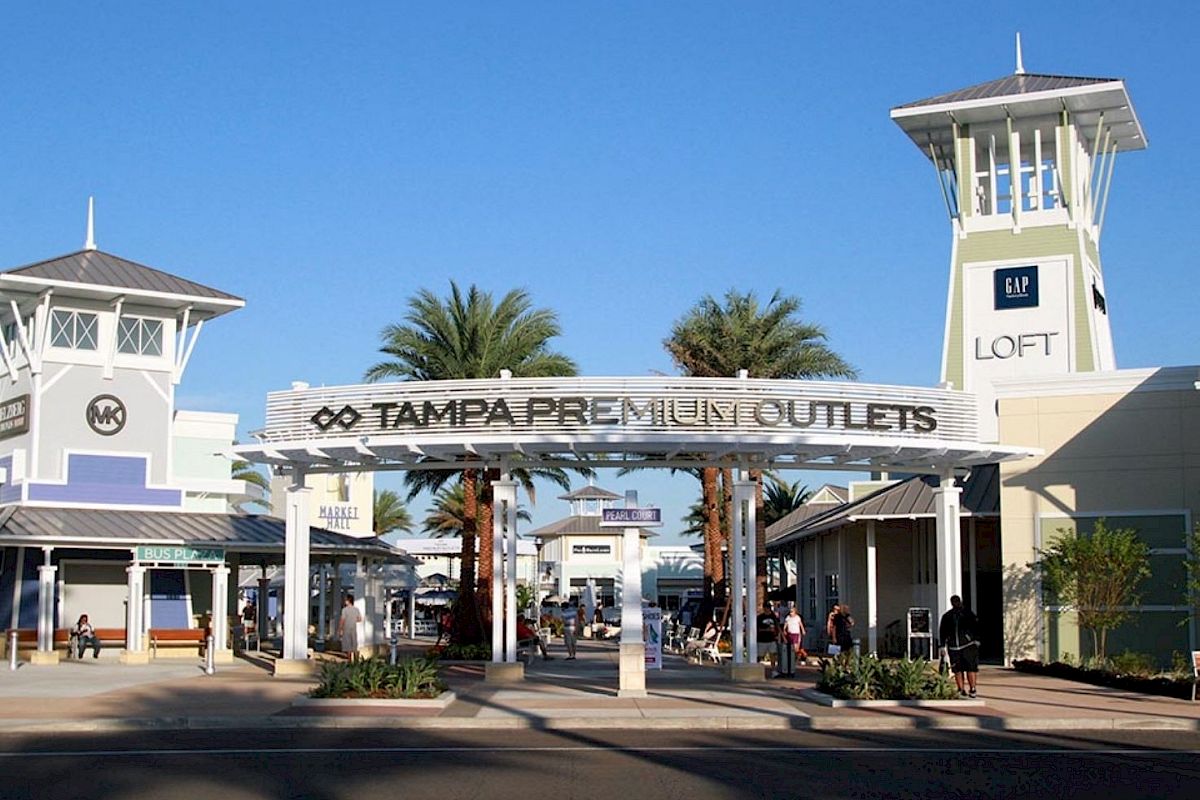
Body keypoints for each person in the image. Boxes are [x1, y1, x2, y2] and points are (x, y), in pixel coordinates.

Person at [939, 595, 981, 698]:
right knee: (957, 669)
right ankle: (961, 689)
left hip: (968, 645)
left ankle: (972, 688)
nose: (956, 603)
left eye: (957, 601)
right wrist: (942, 646)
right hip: (953, 647)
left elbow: (976, 627)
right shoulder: (947, 616)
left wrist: (976, 640)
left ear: (960, 601)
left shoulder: (968, 614)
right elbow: (942, 631)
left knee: (971, 668)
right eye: (953, 601)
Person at [780, 605, 805, 676]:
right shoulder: (788, 618)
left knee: (795, 649)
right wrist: (784, 630)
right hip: (790, 634)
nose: (791, 613)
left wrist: (803, 631)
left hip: (796, 633)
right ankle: (790, 661)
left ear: (795, 612)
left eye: (792, 612)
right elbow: (785, 624)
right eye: (790, 612)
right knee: (790, 648)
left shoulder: (797, 618)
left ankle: (795, 660)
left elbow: (801, 625)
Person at [337, 594, 363, 661]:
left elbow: (342, 620)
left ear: (348, 601)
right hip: (353, 628)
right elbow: (360, 619)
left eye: (346, 600)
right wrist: (353, 620)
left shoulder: (344, 610)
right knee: (354, 644)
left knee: (347, 645)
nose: (345, 601)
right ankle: (356, 660)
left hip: (346, 628)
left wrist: (340, 629)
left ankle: (349, 661)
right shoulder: (356, 609)